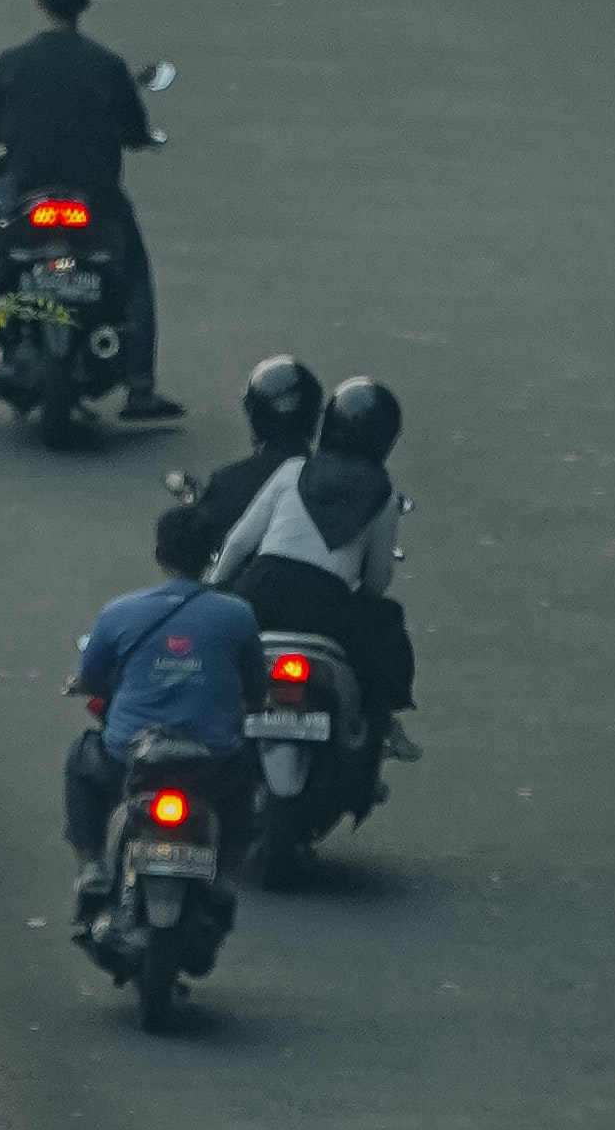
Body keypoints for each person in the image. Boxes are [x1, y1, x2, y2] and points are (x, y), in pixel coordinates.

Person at [0, 0, 176, 423]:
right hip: (95, 198)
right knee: (132, 272)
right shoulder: (107, 65)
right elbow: (136, 129)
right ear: (85, 4)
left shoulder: (11, 63)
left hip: (24, 194)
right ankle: (140, 388)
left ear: (40, 1)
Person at [218, 376, 418, 733]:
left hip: (260, 591)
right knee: (387, 622)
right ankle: (381, 723)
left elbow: (238, 543)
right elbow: (375, 582)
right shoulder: (383, 495)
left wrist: (215, 586)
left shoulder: (294, 470)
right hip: (327, 608)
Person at [65, 506, 260, 868]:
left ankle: (90, 867)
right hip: (212, 764)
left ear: (158, 554)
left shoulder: (118, 612)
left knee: (81, 760)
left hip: (128, 759)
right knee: (245, 778)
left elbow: (91, 678)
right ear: (212, 555)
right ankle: (229, 878)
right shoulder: (239, 615)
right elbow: (255, 687)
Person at [180, 355, 322, 572]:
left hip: (240, 596)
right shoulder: (340, 481)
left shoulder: (226, 482)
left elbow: (197, 550)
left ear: (254, 413)